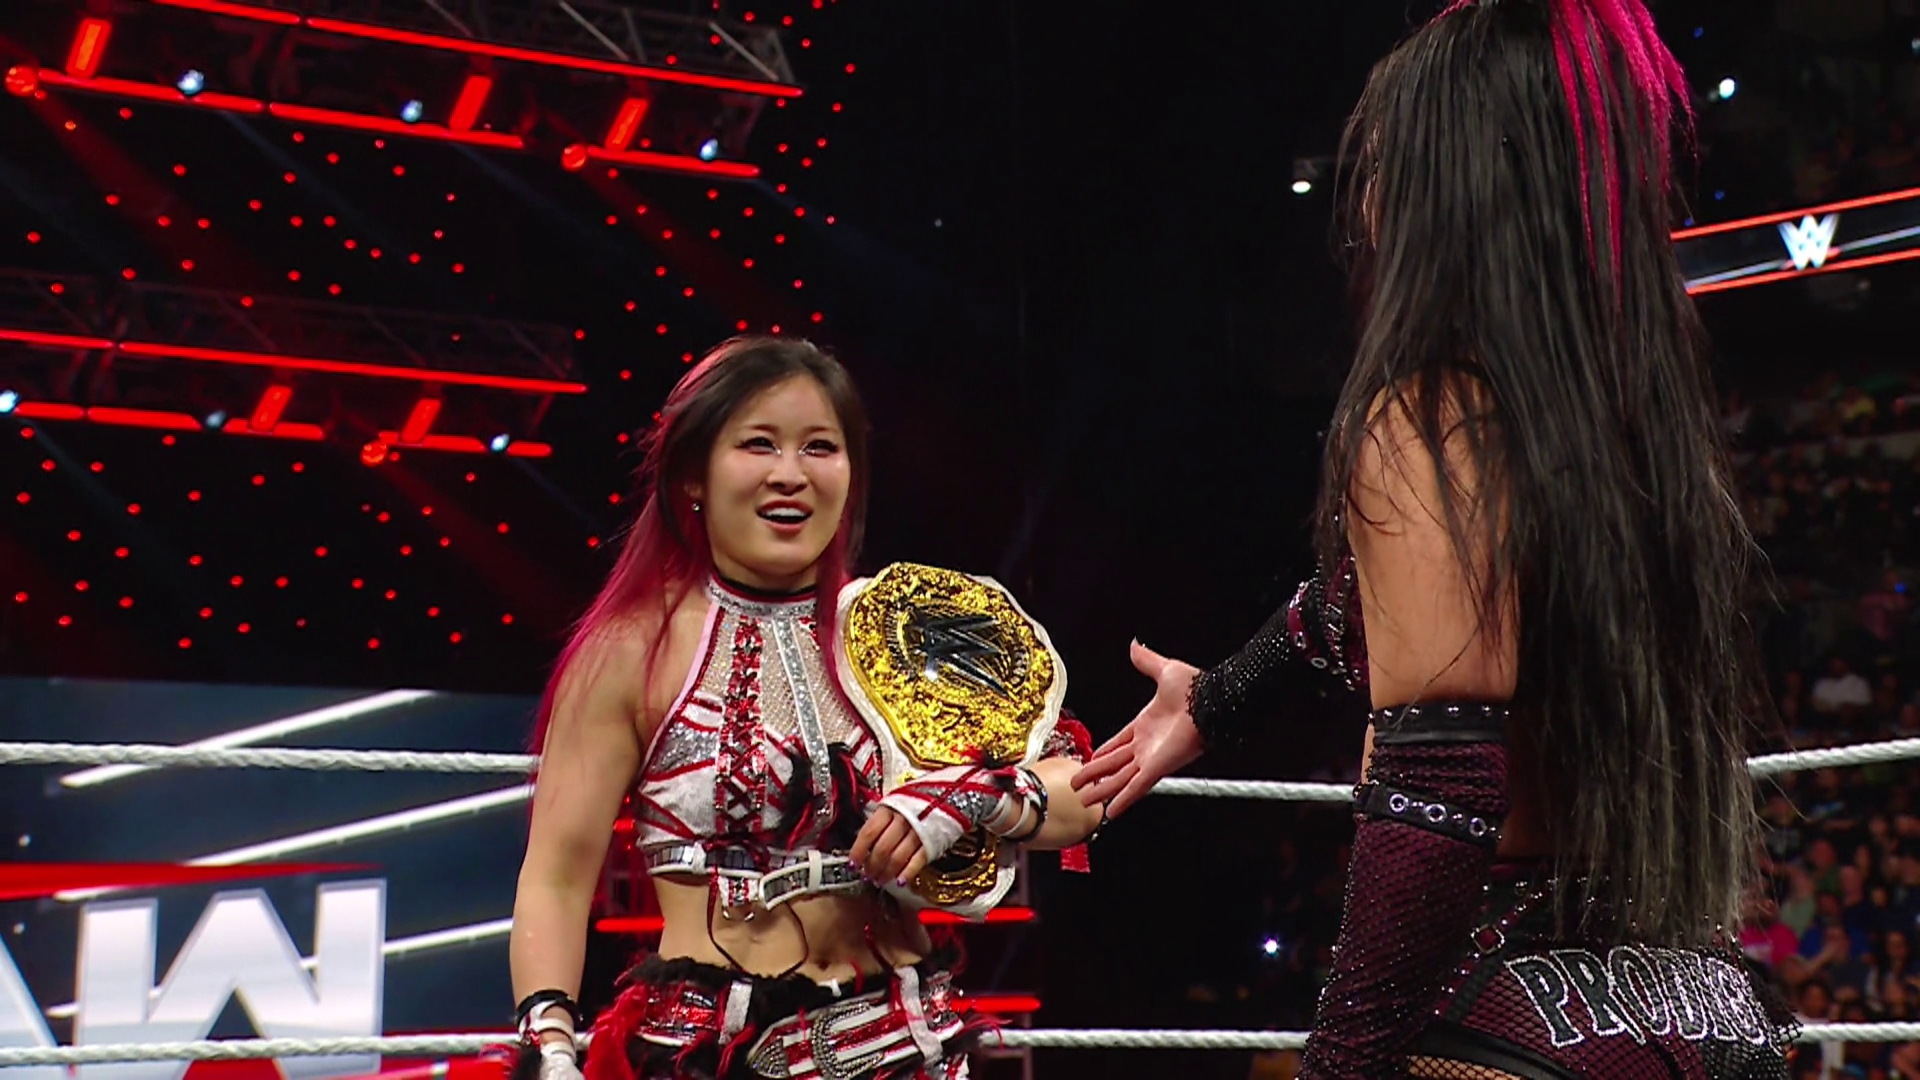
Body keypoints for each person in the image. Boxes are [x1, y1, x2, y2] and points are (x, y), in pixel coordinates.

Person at [1073, 0, 1797, 1076]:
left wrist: (1341, 1067)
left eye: (1379, 163)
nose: (1362, 198)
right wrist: (1217, 700)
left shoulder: (1431, 415)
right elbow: (1361, 603)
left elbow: (1445, 788)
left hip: (1518, 1010)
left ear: (1441, 186)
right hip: (1701, 1002)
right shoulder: (1626, 424)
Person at [509, 337, 1100, 1080]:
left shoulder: (906, 626)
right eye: (758, 444)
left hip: (910, 1046)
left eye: (820, 447)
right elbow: (557, 878)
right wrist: (551, 1046)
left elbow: (1082, 795)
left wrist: (969, 798)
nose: (790, 474)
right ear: (693, 473)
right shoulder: (630, 651)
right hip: (713, 1054)